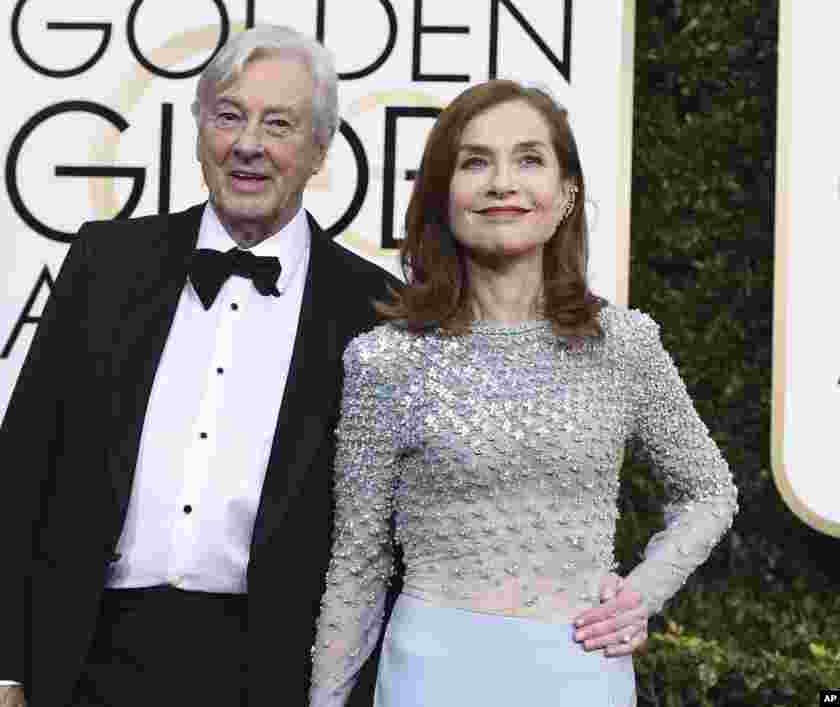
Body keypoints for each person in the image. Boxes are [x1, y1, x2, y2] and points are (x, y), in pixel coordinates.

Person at [0, 27, 646, 707]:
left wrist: (591, 590)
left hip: (277, 672)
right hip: (83, 661)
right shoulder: (105, 264)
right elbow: (19, 477)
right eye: (230, 116)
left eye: (279, 124)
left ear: (318, 151)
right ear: (199, 130)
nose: (249, 144)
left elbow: (427, 521)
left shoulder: (377, 313)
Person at [309, 79, 739, 707]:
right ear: (443, 196)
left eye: (529, 159)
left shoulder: (624, 343)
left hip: (580, 667)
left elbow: (710, 491)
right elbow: (357, 565)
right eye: (475, 161)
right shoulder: (385, 360)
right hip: (431, 670)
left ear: (566, 196)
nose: (502, 183)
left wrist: (640, 595)